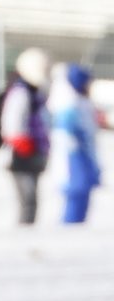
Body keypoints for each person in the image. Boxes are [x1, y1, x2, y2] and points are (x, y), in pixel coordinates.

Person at [1, 47, 51, 225]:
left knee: (32, 201)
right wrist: (22, 142)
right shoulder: (21, 92)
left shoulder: (35, 92)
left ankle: (28, 232)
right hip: (21, 156)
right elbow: (11, 122)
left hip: (34, 153)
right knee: (27, 201)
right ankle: (23, 237)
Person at [48, 63, 102, 224]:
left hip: (84, 156)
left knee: (83, 198)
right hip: (74, 159)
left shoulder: (82, 103)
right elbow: (65, 134)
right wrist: (78, 150)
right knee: (75, 199)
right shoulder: (69, 104)